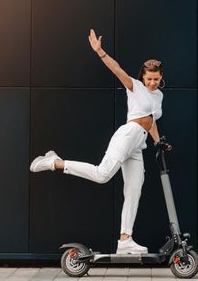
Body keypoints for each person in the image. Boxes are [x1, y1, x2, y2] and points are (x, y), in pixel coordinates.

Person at [30, 28, 171, 255]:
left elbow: (152, 121)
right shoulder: (135, 86)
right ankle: (55, 162)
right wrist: (100, 52)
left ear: (161, 77)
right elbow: (117, 69)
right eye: (149, 79)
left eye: (156, 79)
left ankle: (125, 240)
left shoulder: (159, 96)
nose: (153, 83)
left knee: (134, 190)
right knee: (102, 175)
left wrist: (158, 142)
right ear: (143, 77)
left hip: (139, 143)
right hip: (128, 135)